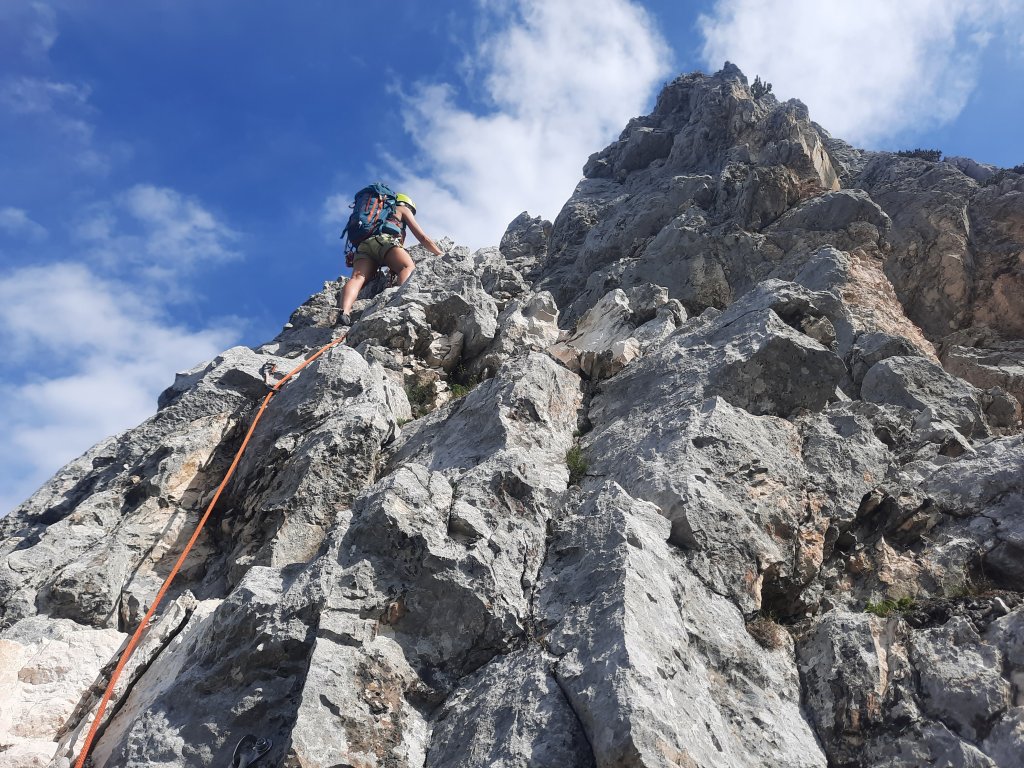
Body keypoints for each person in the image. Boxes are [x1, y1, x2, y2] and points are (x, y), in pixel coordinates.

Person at [337, 192, 442, 325]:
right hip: (385, 242)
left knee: (357, 278)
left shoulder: (377, 213)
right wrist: (440, 254)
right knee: (406, 267)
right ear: (407, 205)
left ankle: (344, 312)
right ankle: (402, 299)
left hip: (363, 246)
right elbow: (422, 238)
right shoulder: (402, 209)